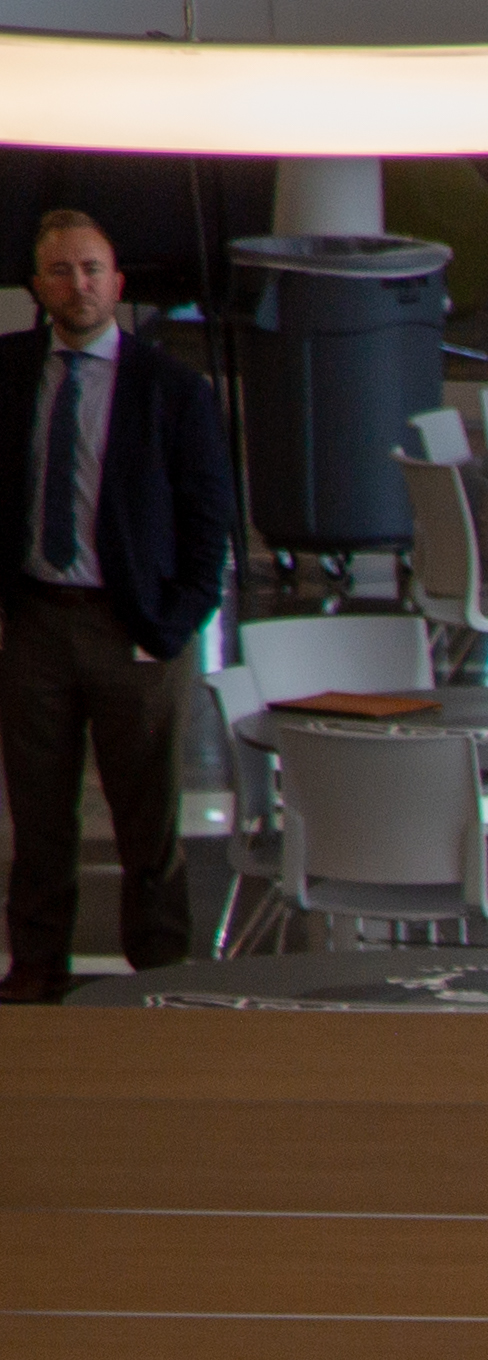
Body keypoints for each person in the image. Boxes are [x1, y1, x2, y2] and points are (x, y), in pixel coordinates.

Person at [1, 212, 232, 1004]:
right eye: (62, 271)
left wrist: (171, 625)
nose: (80, 285)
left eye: (94, 269)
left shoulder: (172, 390)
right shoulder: (10, 372)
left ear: (118, 282)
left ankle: (159, 977)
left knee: (149, 825)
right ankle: (36, 969)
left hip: (135, 626)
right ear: (38, 287)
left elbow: (210, 526)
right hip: (35, 622)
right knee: (37, 817)